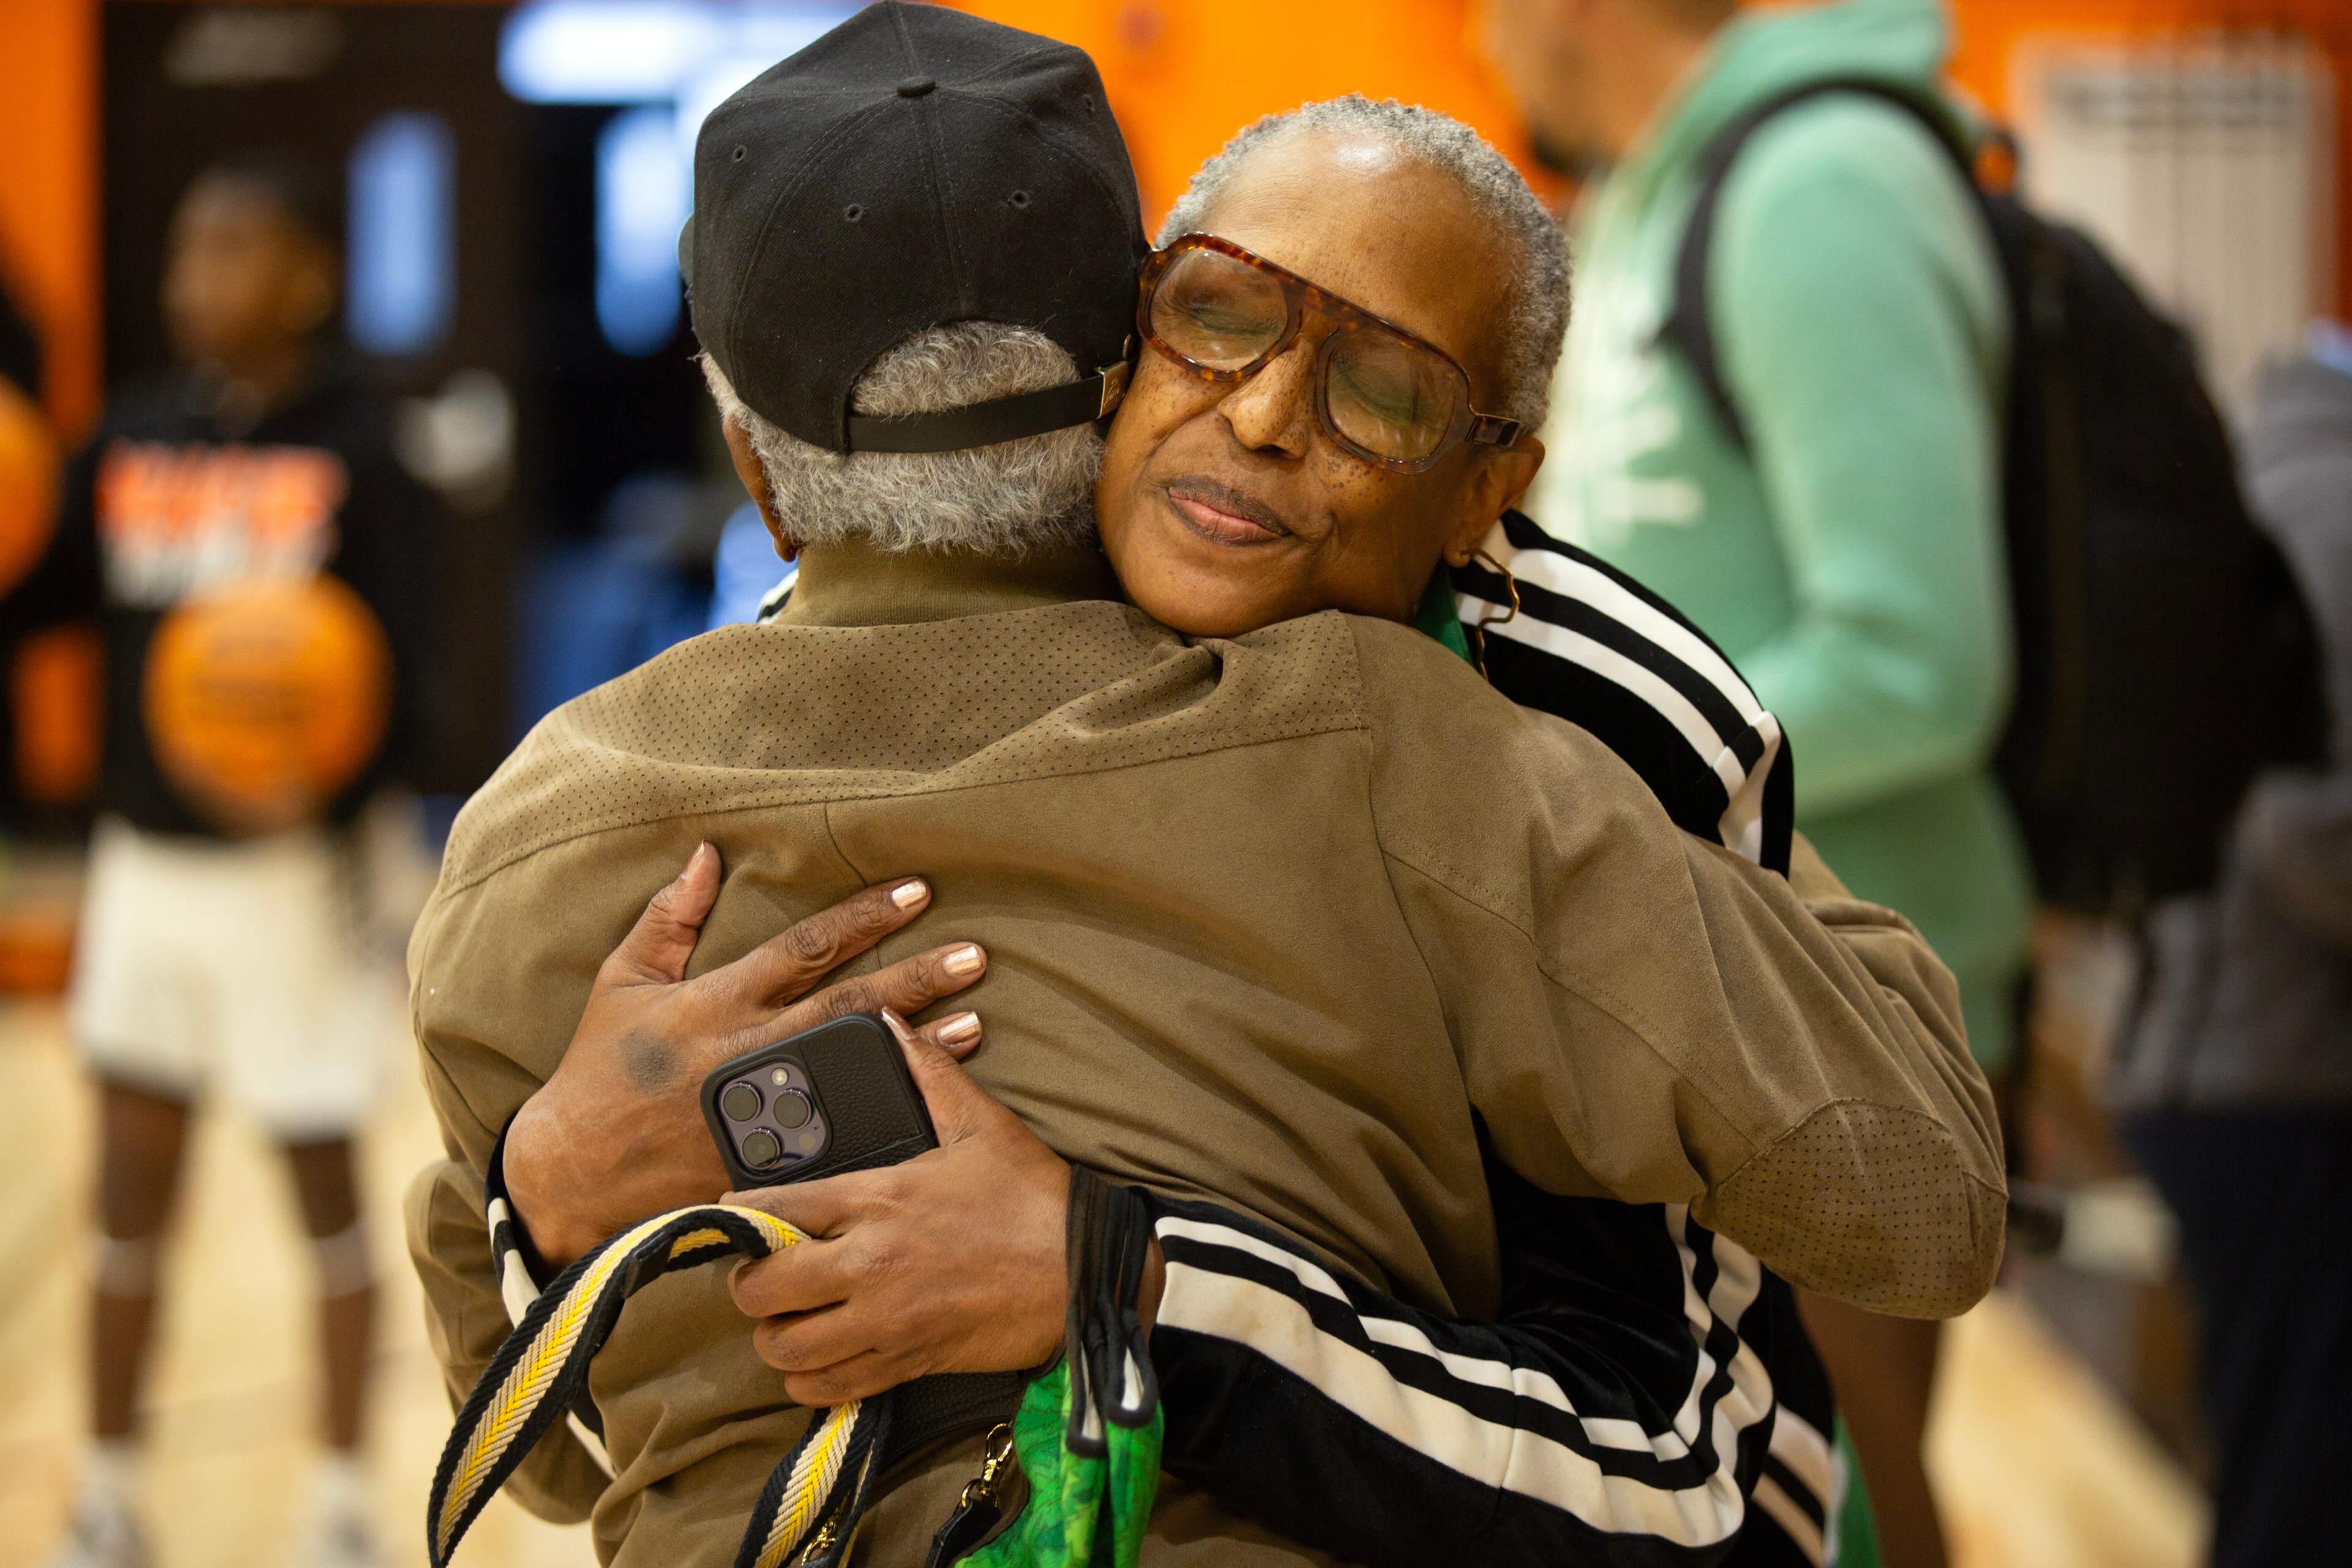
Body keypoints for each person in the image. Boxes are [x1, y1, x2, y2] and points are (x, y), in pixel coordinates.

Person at [408, 9, 2002, 1564]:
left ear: (751, 468)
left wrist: (534, 1202)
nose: (1261, 415)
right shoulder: (1402, 739)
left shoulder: (538, 844)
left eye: (1380, 389)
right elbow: (1922, 1182)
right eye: (1228, 318)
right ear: (1127, 353)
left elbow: (542, 1458)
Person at [1479, 0, 2031, 1561]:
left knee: (1842, 1510)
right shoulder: (1667, 184)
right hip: (1710, 977)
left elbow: (1922, 660)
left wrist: (1570, 782)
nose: (1474, 29)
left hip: (1848, 1001)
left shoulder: (1820, 180)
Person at [15, 156, 437, 1568]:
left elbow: (422, 672)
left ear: (309, 277)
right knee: (127, 1191)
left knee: (321, 1184)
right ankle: (111, 1490)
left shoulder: (363, 449)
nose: (194, 277)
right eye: (186, 250)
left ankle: (333, 1508)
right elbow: (47, 593)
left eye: (231, 249)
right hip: (146, 865)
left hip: (296, 879)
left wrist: (326, 775)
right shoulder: (129, 431)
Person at [2111, 324, 2352, 1568]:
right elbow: (2302, 808)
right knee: (2296, 1494)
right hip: (2265, 1081)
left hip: (2256, 1067)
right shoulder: (2324, 494)